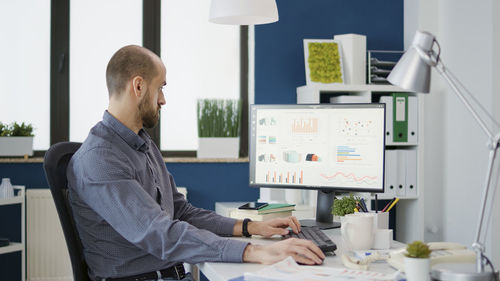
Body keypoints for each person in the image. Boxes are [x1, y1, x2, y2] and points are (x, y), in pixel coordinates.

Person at [67, 45, 325, 281]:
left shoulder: (142, 145)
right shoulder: (99, 159)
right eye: (161, 88)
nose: (163, 100)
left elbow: (181, 212)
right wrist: (254, 251)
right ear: (138, 86)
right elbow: (160, 234)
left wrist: (251, 227)